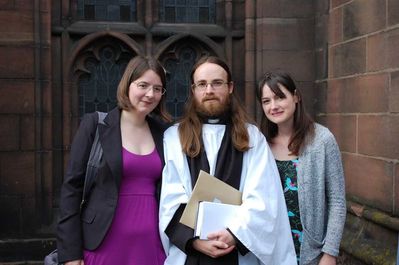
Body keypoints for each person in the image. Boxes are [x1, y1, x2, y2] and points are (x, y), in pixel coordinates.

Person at [159, 56, 297, 265]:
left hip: (238, 250)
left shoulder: (252, 137)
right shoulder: (174, 137)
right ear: (193, 90)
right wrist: (195, 241)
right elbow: (170, 197)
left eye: (217, 83)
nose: (209, 91)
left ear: (230, 87)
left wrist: (234, 234)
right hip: (190, 253)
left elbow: (264, 197)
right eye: (202, 84)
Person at [57, 55, 171, 265]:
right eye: (143, 85)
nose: (150, 94)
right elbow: (72, 189)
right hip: (103, 243)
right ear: (127, 84)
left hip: (152, 245)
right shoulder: (96, 125)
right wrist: (70, 254)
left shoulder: (165, 133)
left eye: (158, 88)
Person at [256, 72, 346, 265]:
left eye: (280, 97)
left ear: (296, 96)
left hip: (310, 253)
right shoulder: (259, 145)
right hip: (268, 252)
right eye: (266, 101)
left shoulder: (322, 140)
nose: (273, 106)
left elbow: (337, 201)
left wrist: (330, 253)